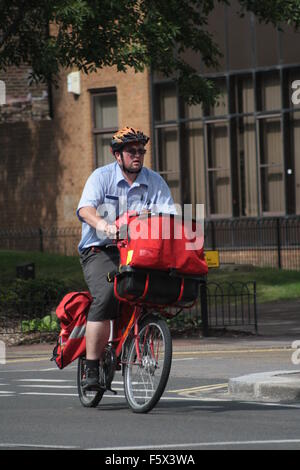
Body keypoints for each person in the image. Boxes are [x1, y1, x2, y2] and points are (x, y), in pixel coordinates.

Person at [77, 126, 175, 390]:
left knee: (152, 290)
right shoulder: (101, 177)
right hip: (100, 250)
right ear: (116, 154)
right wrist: (105, 226)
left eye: (141, 151)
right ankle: (92, 368)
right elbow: (86, 209)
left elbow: (169, 218)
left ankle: (138, 332)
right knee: (108, 294)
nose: (138, 155)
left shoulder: (154, 181)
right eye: (131, 151)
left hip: (139, 251)